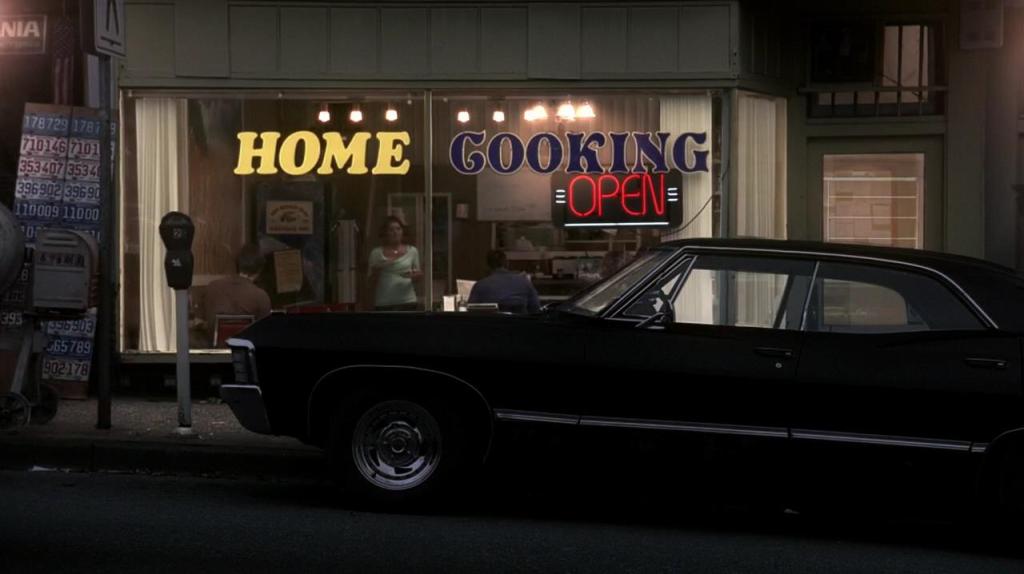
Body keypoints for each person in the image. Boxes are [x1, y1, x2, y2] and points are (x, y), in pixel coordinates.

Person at [201, 243, 272, 345]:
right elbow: (265, 332)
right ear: (259, 270)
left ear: (237, 264)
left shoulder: (212, 287)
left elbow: (202, 321)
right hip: (246, 352)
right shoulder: (261, 296)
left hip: (216, 351)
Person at [368, 216, 422, 311]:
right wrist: (378, 269)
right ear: (385, 233)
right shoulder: (376, 253)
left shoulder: (412, 251)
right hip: (384, 303)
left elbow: (418, 276)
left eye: (398, 229)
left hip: (408, 302)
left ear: (402, 232)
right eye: (391, 230)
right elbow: (370, 281)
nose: (395, 232)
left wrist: (415, 275)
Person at [468, 250, 541, 313]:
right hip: (519, 324)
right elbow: (536, 309)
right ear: (507, 263)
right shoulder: (524, 282)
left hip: (491, 324)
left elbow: (471, 311)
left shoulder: (480, 286)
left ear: (488, 266)